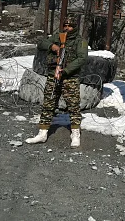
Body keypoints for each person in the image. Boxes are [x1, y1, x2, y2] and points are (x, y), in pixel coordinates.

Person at [26, 14, 88, 148]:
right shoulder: (58, 36)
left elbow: (82, 58)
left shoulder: (80, 41)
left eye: (70, 26)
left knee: (73, 106)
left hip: (69, 77)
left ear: (75, 27)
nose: (67, 28)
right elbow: (41, 43)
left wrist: (65, 71)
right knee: (48, 103)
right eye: (65, 25)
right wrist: (53, 47)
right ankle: (42, 132)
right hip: (53, 75)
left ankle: (75, 133)